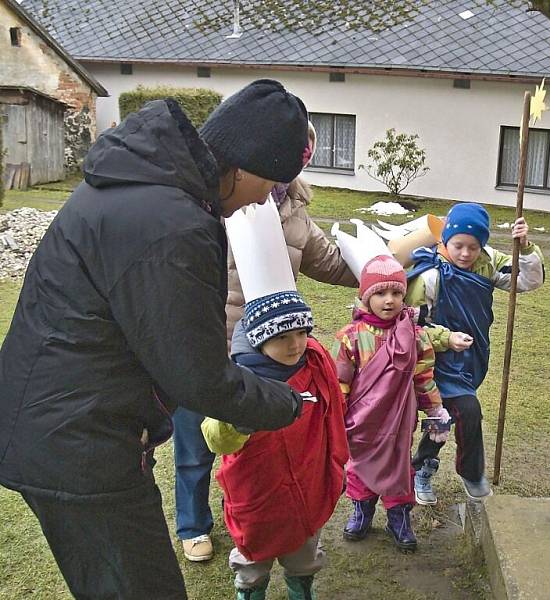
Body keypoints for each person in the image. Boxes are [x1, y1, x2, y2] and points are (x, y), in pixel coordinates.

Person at [0, 79, 311, 599]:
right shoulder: (171, 224)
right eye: (272, 186)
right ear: (245, 169)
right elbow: (198, 375)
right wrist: (284, 402)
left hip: (60, 424)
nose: (265, 201)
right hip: (77, 441)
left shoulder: (146, 186)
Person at [174, 123, 358, 563]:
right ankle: (193, 523)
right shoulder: (212, 196)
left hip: (269, 351)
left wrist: (382, 272)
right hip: (206, 340)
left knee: (257, 444)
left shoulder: (293, 208)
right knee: (196, 438)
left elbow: (329, 262)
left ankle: (257, 514)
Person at [202, 290, 348, 600]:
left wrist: (333, 465)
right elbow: (216, 438)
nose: (295, 344)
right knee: (254, 555)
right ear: (259, 339)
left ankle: (301, 589)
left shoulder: (312, 365)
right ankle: (252, 591)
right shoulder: (238, 381)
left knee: (304, 550)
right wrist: (243, 417)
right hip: (258, 488)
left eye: (301, 333)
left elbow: (330, 415)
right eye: (281, 337)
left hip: (308, 479)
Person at [406, 202, 545, 503]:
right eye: (458, 246)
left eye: (473, 246)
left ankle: (422, 465)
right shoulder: (430, 274)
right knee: (465, 410)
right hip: (436, 358)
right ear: (445, 240)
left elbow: (528, 280)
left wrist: (526, 247)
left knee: (446, 415)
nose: (466, 254)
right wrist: (445, 338)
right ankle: (462, 472)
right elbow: (410, 325)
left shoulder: (489, 262)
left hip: (472, 355)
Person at [332, 255, 452, 552]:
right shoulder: (350, 338)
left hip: (399, 419)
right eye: (380, 293)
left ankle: (399, 517)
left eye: (396, 293)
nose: (389, 300)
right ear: (366, 296)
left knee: (399, 466)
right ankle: (363, 510)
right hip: (360, 420)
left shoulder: (415, 335)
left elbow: (423, 377)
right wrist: (334, 415)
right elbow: (340, 382)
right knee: (359, 465)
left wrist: (435, 411)